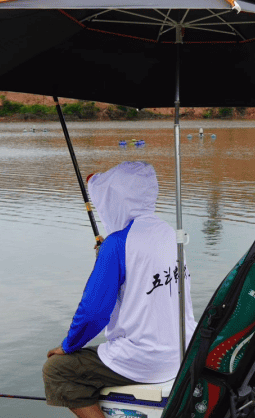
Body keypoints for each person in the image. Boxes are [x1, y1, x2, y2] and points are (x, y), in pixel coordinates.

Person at [43, 161, 196, 418]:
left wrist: (68, 345)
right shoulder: (168, 232)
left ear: (120, 201)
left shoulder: (116, 245)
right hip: (183, 349)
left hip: (146, 359)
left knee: (57, 370)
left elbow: (94, 313)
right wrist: (107, 258)